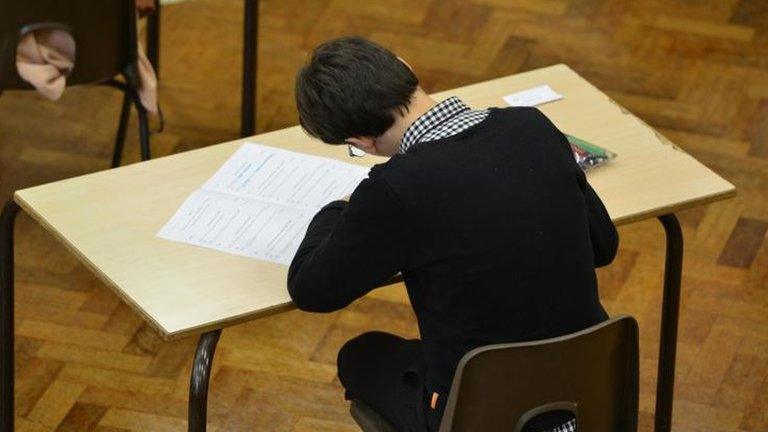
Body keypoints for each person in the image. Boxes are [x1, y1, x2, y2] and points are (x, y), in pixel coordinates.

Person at [288, 36, 618, 432]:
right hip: (591, 394)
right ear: (406, 66)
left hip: (480, 415)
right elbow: (603, 246)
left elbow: (310, 288)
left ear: (360, 142)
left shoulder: (393, 190)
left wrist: (340, 205)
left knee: (359, 356)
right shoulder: (532, 125)